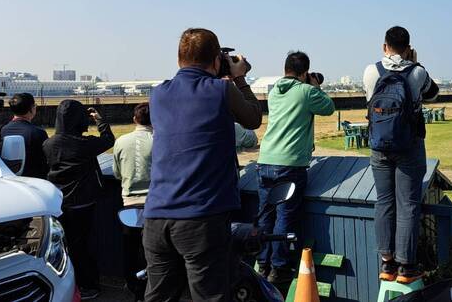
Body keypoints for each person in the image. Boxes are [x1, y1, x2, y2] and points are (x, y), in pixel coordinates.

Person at [143, 28, 262, 302]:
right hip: (202, 217)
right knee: (210, 296)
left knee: (159, 297)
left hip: (157, 216)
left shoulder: (158, 94)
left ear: (178, 60)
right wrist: (239, 77)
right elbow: (253, 119)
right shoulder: (221, 90)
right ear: (217, 60)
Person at [363, 26, 439, 283]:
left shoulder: (371, 71)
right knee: (408, 204)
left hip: (379, 146)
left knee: (384, 201)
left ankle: (387, 263)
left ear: (384, 46)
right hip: (409, 145)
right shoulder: (417, 72)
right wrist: (416, 64)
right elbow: (433, 94)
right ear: (408, 48)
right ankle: (406, 266)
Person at [257, 51, 335, 283]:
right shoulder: (306, 91)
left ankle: (262, 264)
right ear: (304, 73)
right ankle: (278, 268)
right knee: (285, 216)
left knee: (265, 216)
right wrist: (315, 87)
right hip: (289, 164)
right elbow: (329, 107)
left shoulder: (274, 91)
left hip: (265, 161)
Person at [44, 100, 115, 300]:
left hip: (58, 202)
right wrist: (100, 120)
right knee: (83, 246)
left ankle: (69, 283)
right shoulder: (84, 144)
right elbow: (108, 140)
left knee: (65, 246)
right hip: (82, 202)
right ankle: (89, 285)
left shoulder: (49, 144)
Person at [112, 102, 152, 302]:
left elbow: (117, 173)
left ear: (135, 119)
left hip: (129, 203)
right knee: (152, 251)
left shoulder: (121, 141)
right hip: (154, 204)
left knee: (131, 249)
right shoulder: (159, 140)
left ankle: (133, 285)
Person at [0, 93, 49, 178]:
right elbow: (45, 162)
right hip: (32, 180)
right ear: (32, 109)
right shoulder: (38, 133)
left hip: (5, 179)